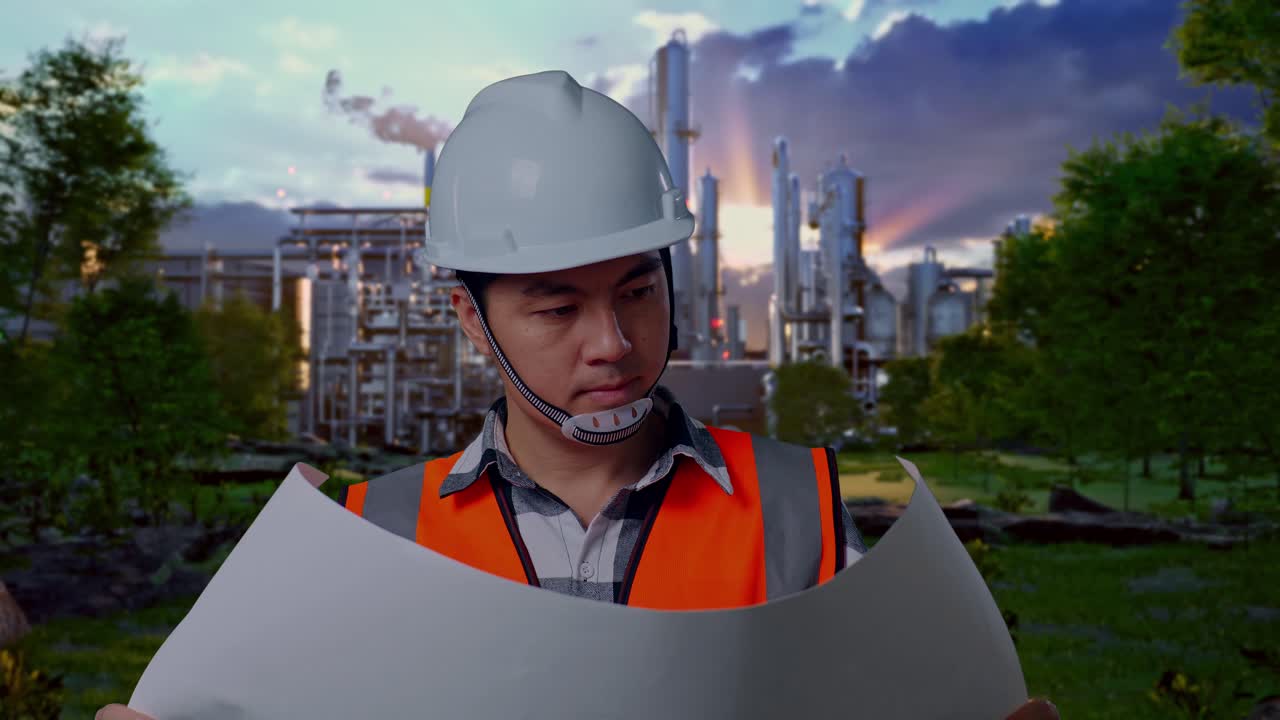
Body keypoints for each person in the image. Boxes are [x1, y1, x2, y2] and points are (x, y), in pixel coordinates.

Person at [98, 70, 1057, 720]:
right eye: (557, 308)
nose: (614, 344)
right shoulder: (368, 535)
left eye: (638, 291)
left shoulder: (810, 514)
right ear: (472, 321)